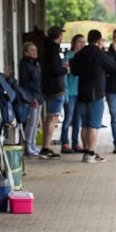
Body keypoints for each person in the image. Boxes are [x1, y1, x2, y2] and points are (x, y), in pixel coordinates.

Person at [69, 29, 116, 162]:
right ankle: (91, 153)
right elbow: (112, 67)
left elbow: (73, 70)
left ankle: (86, 152)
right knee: (93, 125)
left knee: (85, 125)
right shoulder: (99, 54)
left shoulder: (80, 54)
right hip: (96, 93)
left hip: (81, 92)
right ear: (99, 40)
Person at [38, 26, 67, 158]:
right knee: (53, 117)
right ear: (58, 35)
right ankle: (45, 148)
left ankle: (45, 147)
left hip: (46, 86)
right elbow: (54, 69)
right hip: (55, 87)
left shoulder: (44, 48)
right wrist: (65, 70)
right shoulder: (53, 50)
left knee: (49, 117)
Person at [18, 40, 44, 157]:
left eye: (35, 50)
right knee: (31, 123)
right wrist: (31, 97)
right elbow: (25, 82)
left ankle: (33, 145)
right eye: (32, 50)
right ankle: (28, 146)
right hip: (31, 96)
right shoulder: (24, 64)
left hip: (38, 95)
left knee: (36, 122)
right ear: (26, 52)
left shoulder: (35, 63)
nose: (35, 52)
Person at [61, 34, 83, 153]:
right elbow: (64, 75)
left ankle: (75, 143)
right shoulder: (68, 56)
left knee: (77, 120)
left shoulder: (84, 57)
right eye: (79, 42)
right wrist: (65, 92)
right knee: (68, 118)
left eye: (83, 42)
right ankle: (64, 143)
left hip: (80, 92)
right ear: (74, 43)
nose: (82, 44)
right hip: (70, 91)